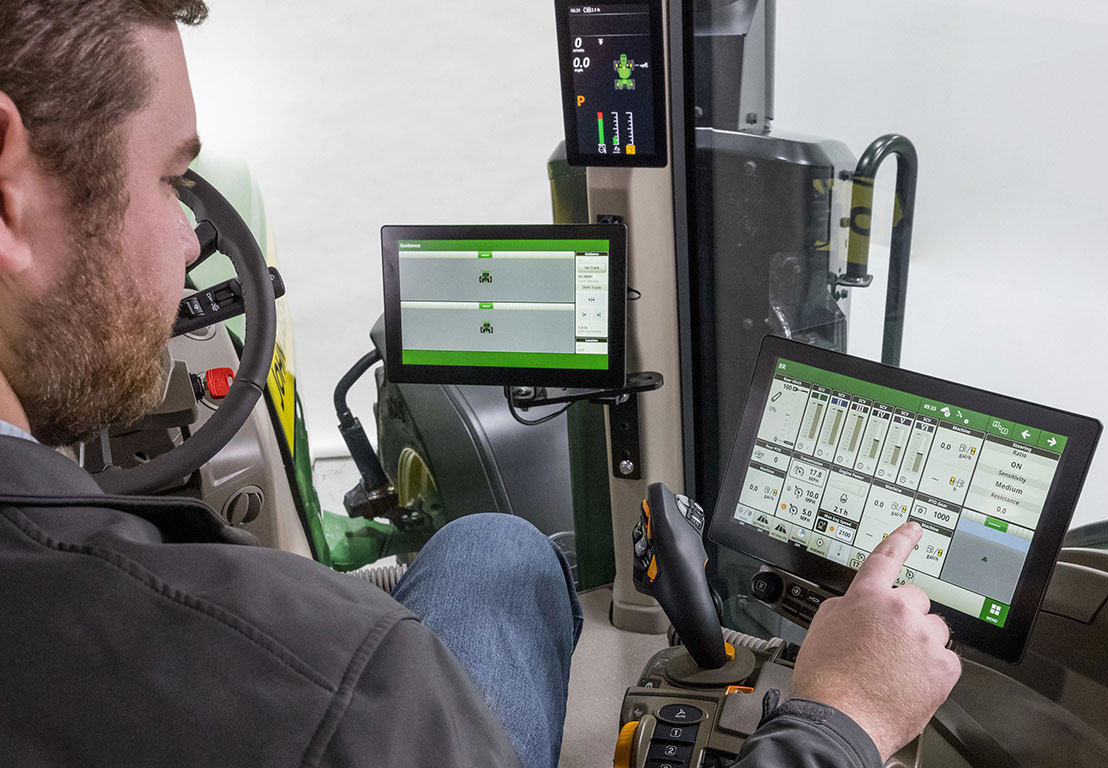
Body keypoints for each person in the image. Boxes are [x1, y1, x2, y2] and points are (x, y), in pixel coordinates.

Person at [0, 2, 961, 766]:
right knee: (501, 551)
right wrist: (844, 717)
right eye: (173, 182)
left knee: (492, 544)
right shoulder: (325, 684)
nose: (186, 243)